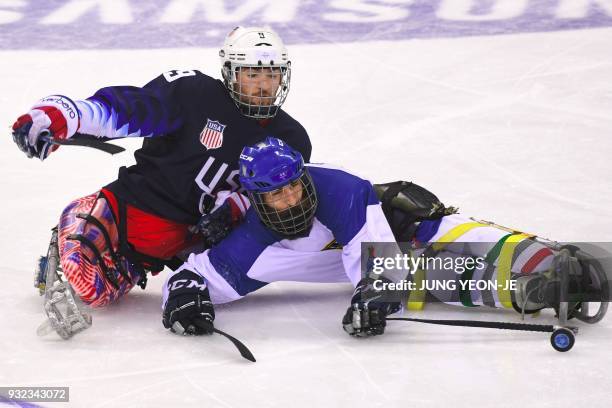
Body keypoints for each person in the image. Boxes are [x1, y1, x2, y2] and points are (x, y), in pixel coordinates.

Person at [161, 137, 609, 338]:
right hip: (392, 263)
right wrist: (180, 300)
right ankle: (539, 289)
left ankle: (553, 261)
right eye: (277, 192)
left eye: (296, 182)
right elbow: (192, 279)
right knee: (437, 282)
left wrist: (373, 298)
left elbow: (383, 273)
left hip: (408, 230)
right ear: (257, 200)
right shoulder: (251, 246)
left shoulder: (342, 190)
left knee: (454, 244)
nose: (292, 196)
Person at [11, 26, 312, 309]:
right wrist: (63, 115)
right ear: (230, 73)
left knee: (95, 294)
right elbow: (125, 110)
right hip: (128, 209)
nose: (263, 85)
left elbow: (273, 200)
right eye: (252, 73)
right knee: (83, 283)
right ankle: (83, 216)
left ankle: (112, 256)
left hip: (180, 243)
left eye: (272, 74)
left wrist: (231, 209)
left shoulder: (289, 139)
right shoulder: (193, 94)